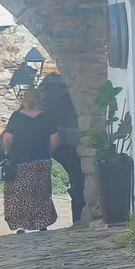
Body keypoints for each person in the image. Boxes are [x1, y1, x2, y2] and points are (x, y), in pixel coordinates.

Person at [0, 85, 59, 233]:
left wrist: (9, 154)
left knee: (18, 195)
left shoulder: (16, 117)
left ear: (24, 100)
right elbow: (55, 138)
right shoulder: (46, 117)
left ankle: (21, 226)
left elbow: (8, 138)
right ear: (39, 100)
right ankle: (42, 224)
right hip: (41, 161)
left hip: (19, 162)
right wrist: (48, 154)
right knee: (41, 193)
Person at [37, 66, 85, 225]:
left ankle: (77, 218)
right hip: (74, 142)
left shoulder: (48, 96)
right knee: (79, 183)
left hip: (56, 141)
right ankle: (79, 219)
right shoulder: (70, 90)